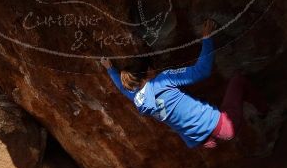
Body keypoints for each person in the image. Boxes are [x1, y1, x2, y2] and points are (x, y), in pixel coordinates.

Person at [100, 19, 269, 150]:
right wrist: (207, 38)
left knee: (188, 114)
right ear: (150, 71)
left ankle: (253, 109)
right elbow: (202, 71)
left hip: (201, 138)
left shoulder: (139, 100)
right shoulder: (162, 80)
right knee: (238, 80)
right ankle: (264, 110)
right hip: (226, 125)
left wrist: (110, 69)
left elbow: (124, 90)